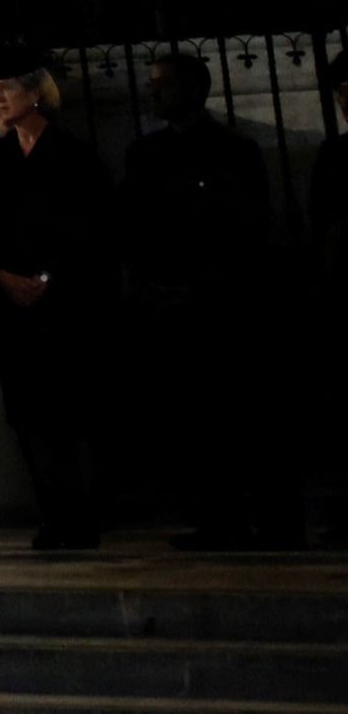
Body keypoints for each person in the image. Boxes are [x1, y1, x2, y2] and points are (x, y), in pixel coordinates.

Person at [117, 55, 296, 548]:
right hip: (171, 297)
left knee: (243, 415)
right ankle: (220, 516)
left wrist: (203, 284)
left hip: (222, 302)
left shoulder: (233, 151)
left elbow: (246, 226)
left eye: (162, 85)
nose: (153, 94)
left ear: (193, 89)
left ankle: (271, 518)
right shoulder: (146, 153)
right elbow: (133, 225)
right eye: (151, 85)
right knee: (194, 419)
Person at [0, 61, 111, 549]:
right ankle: (53, 512)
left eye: (7, 89)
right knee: (28, 413)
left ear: (35, 94)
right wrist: (3, 276)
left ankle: (83, 514)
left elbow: (89, 225)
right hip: (12, 303)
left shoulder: (71, 154)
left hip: (64, 301)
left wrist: (46, 277)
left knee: (72, 411)